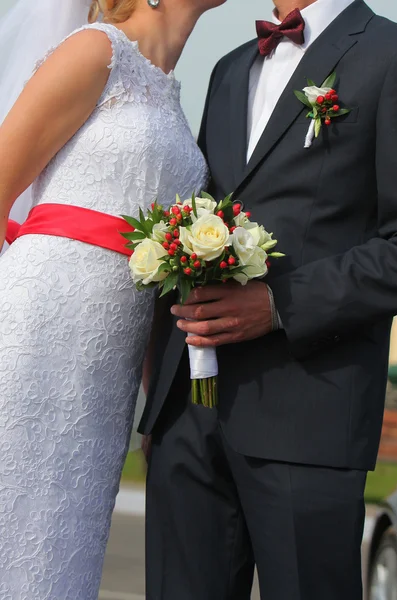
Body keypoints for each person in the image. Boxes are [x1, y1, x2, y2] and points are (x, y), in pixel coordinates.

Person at [140, 0, 397, 598]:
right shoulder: (229, 68)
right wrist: (159, 388)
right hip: (188, 412)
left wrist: (281, 304)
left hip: (309, 417)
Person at [0, 0, 224, 597]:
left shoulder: (177, 100)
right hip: (38, 322)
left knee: (60, 537)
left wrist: (157, 396)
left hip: (109, 369)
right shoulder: (96, 50)